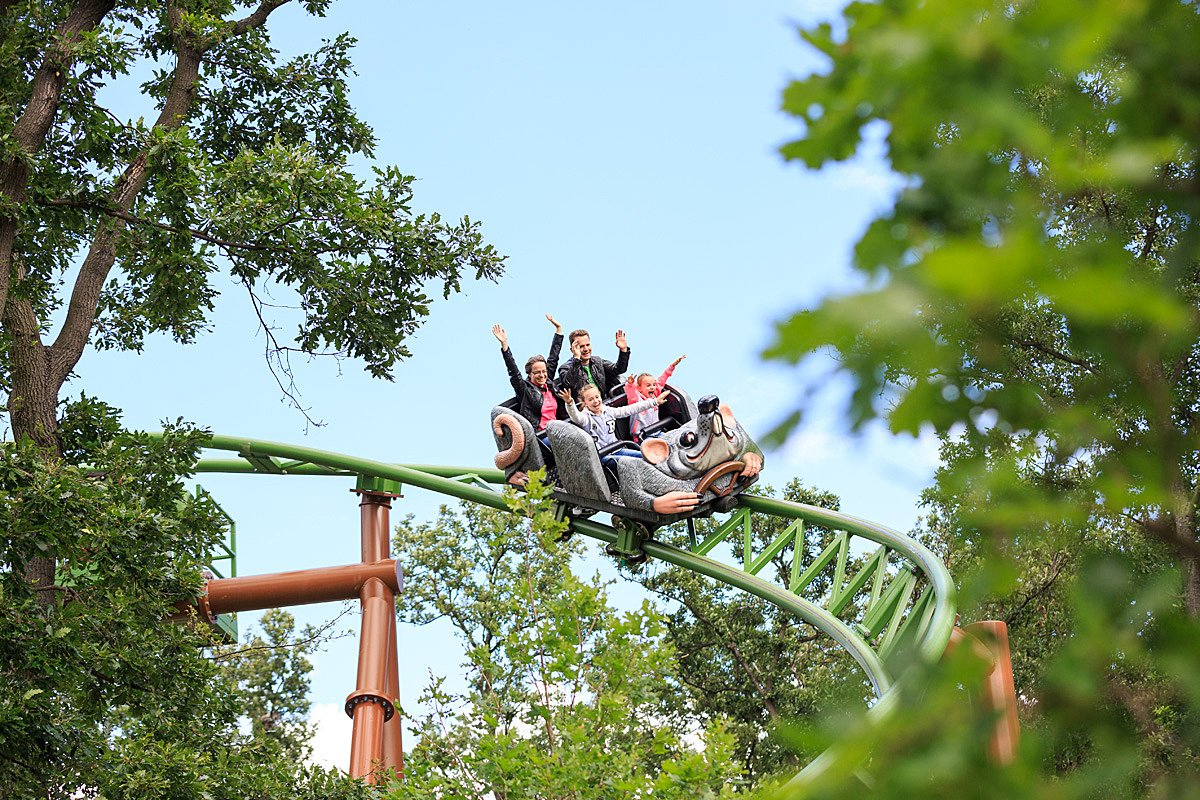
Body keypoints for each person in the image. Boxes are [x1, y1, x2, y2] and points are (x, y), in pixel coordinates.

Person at [558, 384, 671, 468]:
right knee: (633, 464)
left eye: (597, 397)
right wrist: (569, 403)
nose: (595, 401)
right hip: (603, 456)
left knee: (647, 456)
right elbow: (575, 416)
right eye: (591, 399)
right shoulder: (585, 418)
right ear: (584, 402)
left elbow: (630, 409)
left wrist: (654, 401)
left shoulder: (608, 411)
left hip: (617, 449)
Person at [492, 314, 566, 434]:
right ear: (529, 374)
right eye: (537, 372)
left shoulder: (548, 383)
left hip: (561, 429)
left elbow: (553, 358)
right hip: (542, 435)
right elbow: (513, 371)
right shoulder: (525, 389)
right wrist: (505, 345)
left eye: (544, 371)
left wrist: (559, 330)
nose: (542, 375)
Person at [623, 354, 686, 441]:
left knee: (674, 439)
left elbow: (661, 380)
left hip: (656, 432)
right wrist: (630, 384)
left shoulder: (655, 395)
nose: (652, 387)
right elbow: (631, 393)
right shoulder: (636, 400)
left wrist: (672, 366)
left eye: (653, 385)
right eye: (648, 385)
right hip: (642, 437)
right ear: (639, 388)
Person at [556, 328, 630, 398]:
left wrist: (623, 350)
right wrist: (576, 359)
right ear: (572, 350)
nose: (586, 349)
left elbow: (619, 369)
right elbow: (570, 384)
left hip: (604, 404)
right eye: (581, 346)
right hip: (584, 408)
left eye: (588, 345)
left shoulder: (597, 361)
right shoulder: (565, 368)